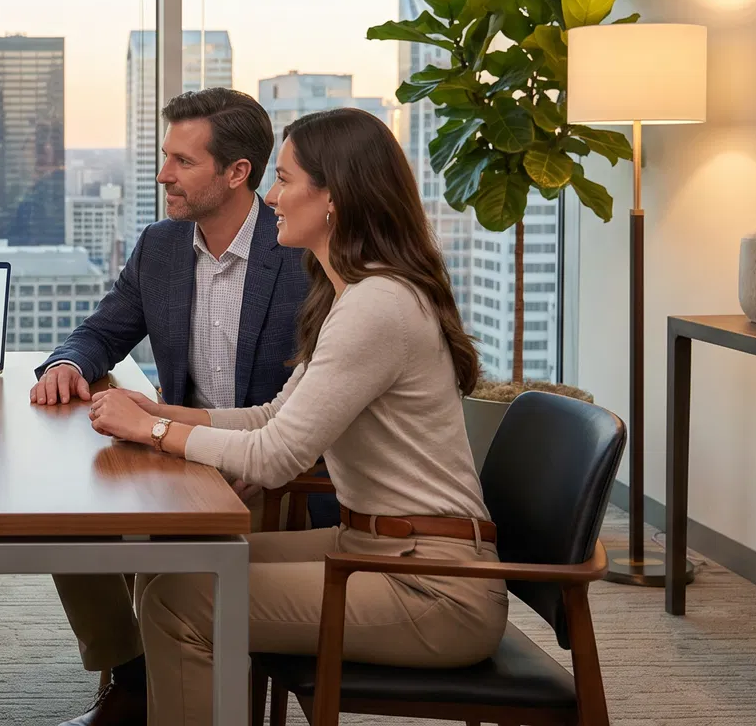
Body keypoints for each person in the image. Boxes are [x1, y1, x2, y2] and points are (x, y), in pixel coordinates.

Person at [87, 106, 508, 726]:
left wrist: (151, 430)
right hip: (372, 546)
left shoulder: (376, 308)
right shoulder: (356, 295)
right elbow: (268, 418)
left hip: (433, 586)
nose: (273, 196)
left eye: (283, 180)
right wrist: (159, 409)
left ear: (333, 197)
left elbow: (277, 457)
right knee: (169, 570)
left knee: (180, 601)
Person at [29, 87, 333, 726]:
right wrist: (65, 364)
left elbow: (319, 404)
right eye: (164, 156)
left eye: (182, 161)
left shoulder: (306, 251)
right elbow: (101, 332)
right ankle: (135, 678)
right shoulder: (162, 246)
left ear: (237, 173)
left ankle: (179, 672)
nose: (163, 174)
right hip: (181, 452)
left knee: (169, 573)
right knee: (65, 515)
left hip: (274, 476)